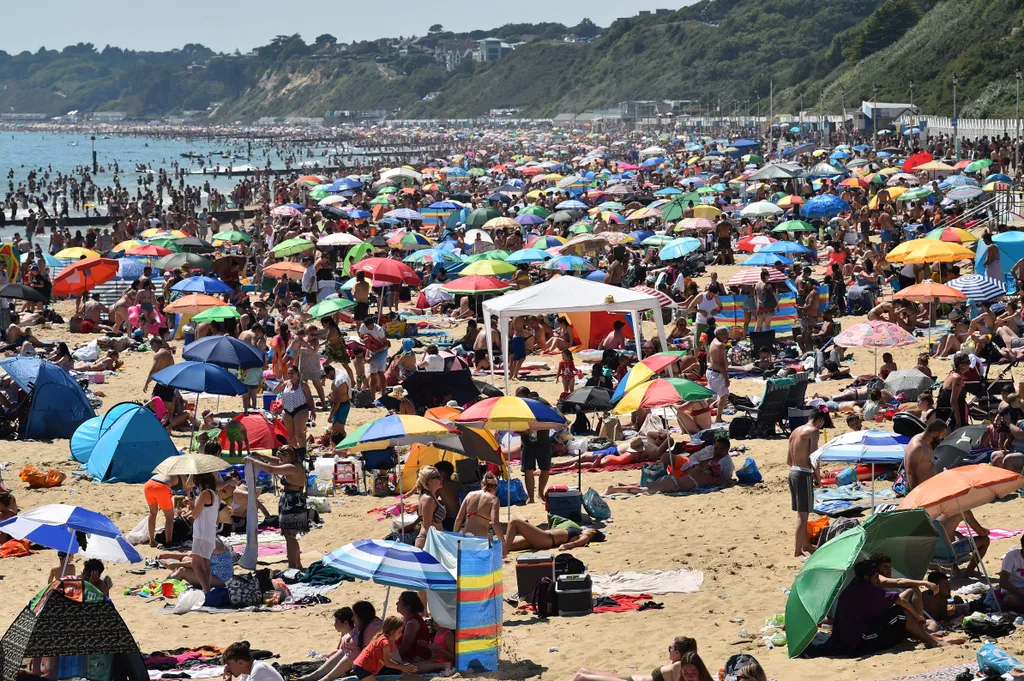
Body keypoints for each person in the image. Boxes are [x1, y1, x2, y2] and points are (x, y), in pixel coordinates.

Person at [827, 560, 946, 655]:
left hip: (847, 639)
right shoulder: (867, 589)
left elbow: (898, 585)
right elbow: (900, 601)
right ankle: (932, 642)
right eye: (876, 576)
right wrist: (917, 616)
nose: (878, 580)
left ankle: (922, 633)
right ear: (867, 578)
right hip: (859, 641)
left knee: (903, 607)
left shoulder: (855, 586)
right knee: (901, 613)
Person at [246, 446, 307, 569]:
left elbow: (271, 469)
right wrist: (259, 455)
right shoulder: (293, 463)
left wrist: (253, 461)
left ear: (290, 456)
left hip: (293, 501)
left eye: (284, 456)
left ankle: (292, 566)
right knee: (291, 535)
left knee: (289, 536)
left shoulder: (291, 467)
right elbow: (274, 461)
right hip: (293, 499)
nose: (281, 459)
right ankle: (297, 564)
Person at [297, 603, 382, 681]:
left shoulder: (372, 628)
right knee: (345, 651)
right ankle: (316, 675)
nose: (352, 618)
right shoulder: (363, 625)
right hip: (367, 659)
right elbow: (346, 644)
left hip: (378, 664)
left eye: (354, 615)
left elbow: (352, 643)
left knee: (351, 653)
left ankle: (325, 678)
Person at [569, 636, 699, 681]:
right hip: (629, 677)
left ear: (677, 652)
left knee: (580, 677)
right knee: (583, 670)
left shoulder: (679, 667)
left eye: (669, 648)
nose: (668, 651)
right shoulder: (674, 663)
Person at [787, 410, 826, 557]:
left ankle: (805, 544)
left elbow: (789, 460)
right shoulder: (814, 432)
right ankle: (798, 551)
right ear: (820, 421)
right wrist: (818, 477)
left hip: (792, 473)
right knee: (803, 516)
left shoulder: (795, 431)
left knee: (800, 513)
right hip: (803, 474)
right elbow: (814, 458)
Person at [351, 616, 417, 681]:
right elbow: (387, 663)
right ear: (392, 631)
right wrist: (403, 668)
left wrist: (402, 667)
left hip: (362, 666)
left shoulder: (382, 638)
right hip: (363, 667)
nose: (401, 634)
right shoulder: (385, 643)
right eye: (399, 631)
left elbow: (386, 660)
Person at [502, 517, 605, 557]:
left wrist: (566, 546)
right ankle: (504, 549)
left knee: (514, 522)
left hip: (547, 538)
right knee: (505, 542)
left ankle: (505, 551)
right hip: (544, 539)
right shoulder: (581, 533)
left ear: (593, 532)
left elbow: (581, 541)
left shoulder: (588, 534)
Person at [158, 539, 234, 589]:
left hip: (221, 579)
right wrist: (168, 555)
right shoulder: (212, 539)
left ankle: (164, 586)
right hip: (214, 572)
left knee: (182, 570)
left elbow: (196, 563)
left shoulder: (209, 543)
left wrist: (175, 564)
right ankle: (170, 578)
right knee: (185, 559)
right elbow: (191, 556)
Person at [274, 365, 315, 456]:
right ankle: (295, 453)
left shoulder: (303, 385)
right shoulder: (285, 383)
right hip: (287, 410)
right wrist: (279, 384)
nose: (290, 375)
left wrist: (312, 409)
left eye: (292, 373)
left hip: (300, 409)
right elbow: (275, 392)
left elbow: (309, 398)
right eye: (289, 373)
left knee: (299, 433)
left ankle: (302, 453)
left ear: (297, 373)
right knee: (290, 434)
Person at [190, 472, 219, 593]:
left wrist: (192, 503)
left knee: (195, 564)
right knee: (204, 563)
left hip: (202, 533)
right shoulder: (215, 494)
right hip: (210, 531)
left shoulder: (205, 494)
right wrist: (192, 503)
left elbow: (195, 515)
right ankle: (208, 588)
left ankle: (206, 589)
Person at [454, 470, 502, 539]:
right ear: (495, 487)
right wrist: (502, 541)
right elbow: (495, 523)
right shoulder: (494, 500)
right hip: (480, 539)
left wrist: (455, 536)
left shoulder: (470, 495)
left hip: (465, 536)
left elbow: (459, 518)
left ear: (482, 484)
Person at [145, 473, 189, 547]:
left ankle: (152, 540)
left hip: (149, 484)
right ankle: (168, 542)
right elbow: (188, 491)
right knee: (169, 517)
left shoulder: (167, 471)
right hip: (161, 487)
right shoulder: (183, 476)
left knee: (152, 513)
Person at [904, 419, 947, 491]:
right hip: (920, 491)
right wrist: (915, 495)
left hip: (927, 488)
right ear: (935, 434)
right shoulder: (918, 447)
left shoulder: (926, 441)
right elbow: (911, 473)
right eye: (942, 434)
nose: (943, 437)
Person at [415, 466, 447, 549]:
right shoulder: (428, 499)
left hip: (431, 540)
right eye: (438, 477)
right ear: (430, 481)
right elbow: (427, 526)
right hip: (428, 542)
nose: (441, 479)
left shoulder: (429, 496)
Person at [936, 352, 970, 429]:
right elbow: (953, 401)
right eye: (968, 362)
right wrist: (958, 421)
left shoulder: (952, 373)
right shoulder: (957, 378)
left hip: (945, 410)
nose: (969, 364)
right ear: (961, 365)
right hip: (951, 413)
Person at [395, 591, 432, 662]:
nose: (397, 604)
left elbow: (404, 648)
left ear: (408, 606)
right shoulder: (405, 619)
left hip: (415, 659)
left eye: (399, 602)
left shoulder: (412, 623)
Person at [359, 316, 389, 402]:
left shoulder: (378, 330)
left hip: (381, 350)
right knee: (373, 374)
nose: (369, 328)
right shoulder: (363, 327)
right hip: (371, 348)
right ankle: (372, 396)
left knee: (380, 373)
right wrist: (365, 342)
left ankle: (383, 394)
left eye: (370, 326)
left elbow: (386, 343)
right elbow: (361, 336)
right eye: (367, 326)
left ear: (373, 324)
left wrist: (378, 350)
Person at [521, 429, 551, 504]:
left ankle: (540, 494)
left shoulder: (545, 417)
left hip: (544, 442)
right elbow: (515, 427)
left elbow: (554, 422)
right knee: (528, 470)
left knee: (545, 469)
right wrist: (523, 431)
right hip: (527, 443)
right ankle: (531, 497)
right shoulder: (523, 417)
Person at [706, 327, 730, 421]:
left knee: (724, 395)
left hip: (714, 372)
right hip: (716, 374)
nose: (726, 336)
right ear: (719, 334)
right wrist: (726, 378)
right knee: (712, 397)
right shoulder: (719, 346)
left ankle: (718, 417)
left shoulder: (714, 341)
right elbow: (721, 364)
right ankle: (696, 413)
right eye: (724, 334)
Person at [324, 363, 351, 444]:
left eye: (327, 376)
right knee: (336, 429)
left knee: (338, 431)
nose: (327, 378)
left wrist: (330, 416)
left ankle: (340, 448)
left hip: (341, 406)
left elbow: (337, 403)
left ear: (331, 372)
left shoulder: (338, 382)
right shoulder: (339, 372)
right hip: (342, 403)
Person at [999, 535, 1024, 611]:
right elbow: (1003, 582)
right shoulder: (1012, 556)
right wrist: (1019, 591)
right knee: (1009, 600)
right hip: (1013, 591)